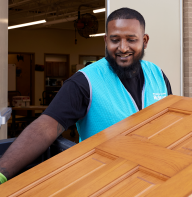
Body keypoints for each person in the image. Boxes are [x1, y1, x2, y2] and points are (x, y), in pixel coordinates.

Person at [0, 8, 172, 184]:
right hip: (103, 182)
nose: (122, 47)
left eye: (131, 39)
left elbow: (172, 124)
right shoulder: (85, 82)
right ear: (106, 41)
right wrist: (2, 172)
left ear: (144, 41)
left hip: (153, 178)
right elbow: (46, 126)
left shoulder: (158, 75)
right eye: (115, 40)